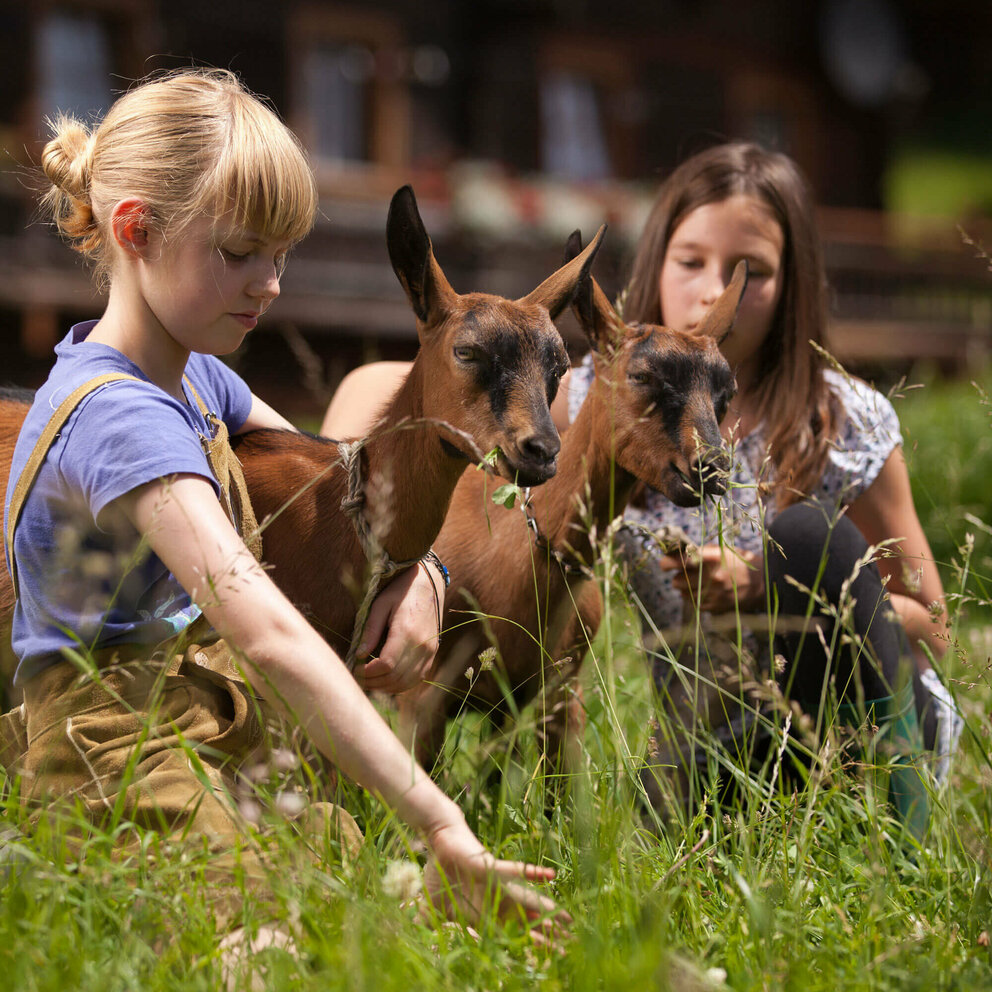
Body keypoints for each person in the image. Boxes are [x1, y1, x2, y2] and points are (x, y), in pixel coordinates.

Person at [1, 68, 566, 958]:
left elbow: (346, 480)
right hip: (108, 748)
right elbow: (263, 629)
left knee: (345, 871)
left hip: (204, 710)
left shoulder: (194, 374)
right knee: (265, 923)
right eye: (239, 252)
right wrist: (436, 814)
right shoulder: (120, 418)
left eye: (282, 253)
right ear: (136, 230)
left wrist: (417, 571)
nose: (269, 283)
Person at [553, 141, 960, 830]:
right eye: (691, 262)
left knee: (802, 536)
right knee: (660, 814)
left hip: (864, 720)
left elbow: (937, 626)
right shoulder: (594, 398)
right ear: (657, 260)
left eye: (752, 271)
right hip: (716, 730)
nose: (714, 290)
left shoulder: (843, 419)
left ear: (792, 281)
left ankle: (905, 838)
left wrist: (773, 584)